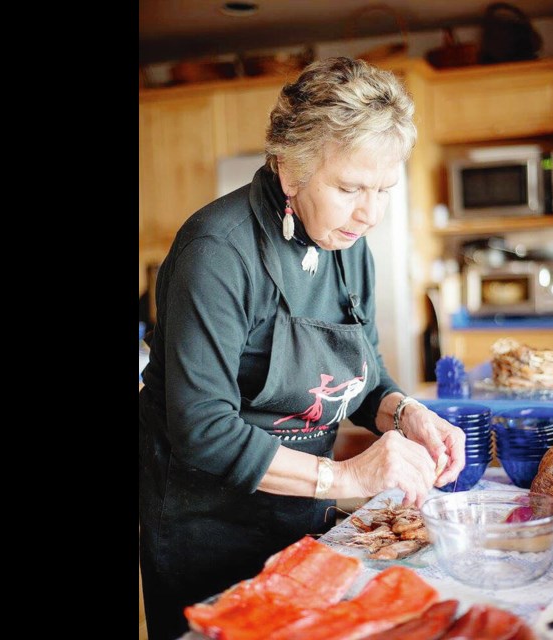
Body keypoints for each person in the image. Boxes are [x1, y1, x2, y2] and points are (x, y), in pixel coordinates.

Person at [138, 56, 466, 640]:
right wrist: (346, 477)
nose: (370, 213)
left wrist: (407, 414)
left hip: (302, 519)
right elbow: (203, 429)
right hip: (207, 528)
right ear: (290, 170)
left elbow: (364, 374)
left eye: (385, 189)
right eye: (350, 188)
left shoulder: (347, 242)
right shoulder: (216, 252)